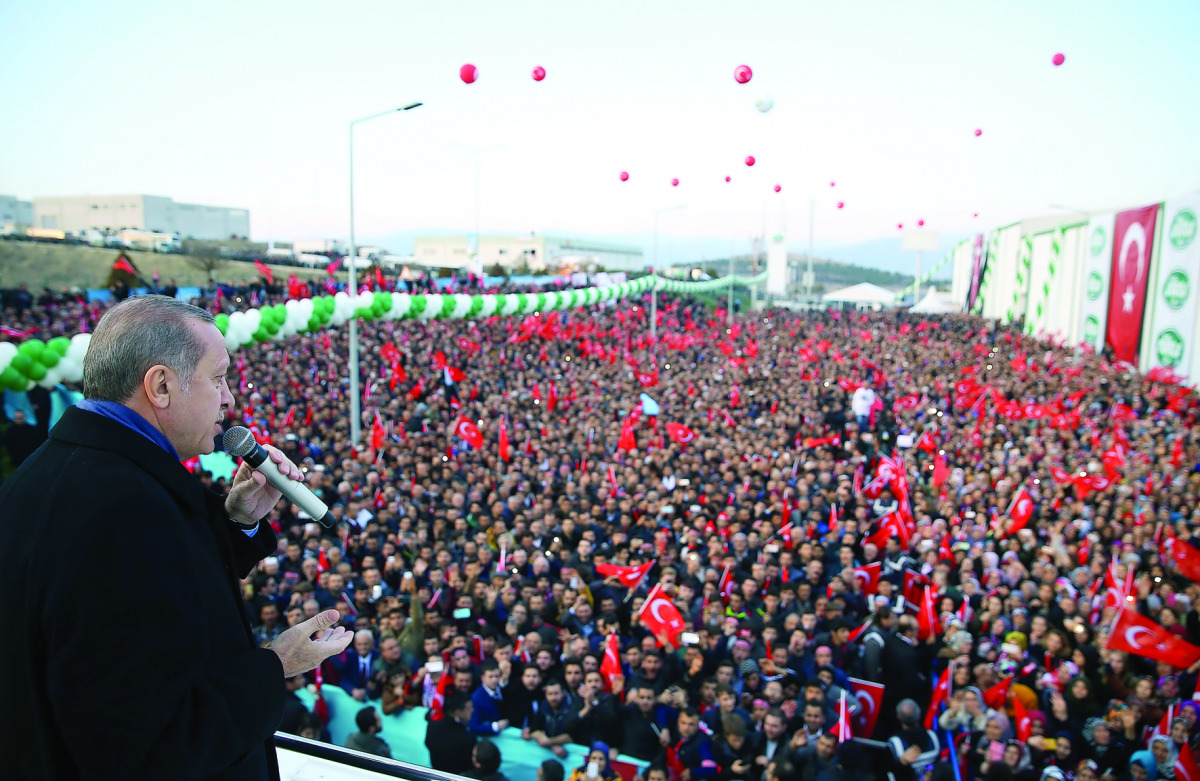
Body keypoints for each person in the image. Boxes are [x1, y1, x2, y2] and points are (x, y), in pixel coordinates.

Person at [0, 295, 352, 779]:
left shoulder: (59, 470)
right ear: (161, 386)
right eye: (219, 377)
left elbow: (162, 591)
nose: (229, 398)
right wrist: (273, 666)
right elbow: (149, 740)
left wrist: (237, 522)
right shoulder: (122, 512)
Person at [425, 690, 478, 775]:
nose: (472, 710)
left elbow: (427, 743)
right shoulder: (468, 739)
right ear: (458, 713)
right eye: (469, 708)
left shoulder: (432, 726)